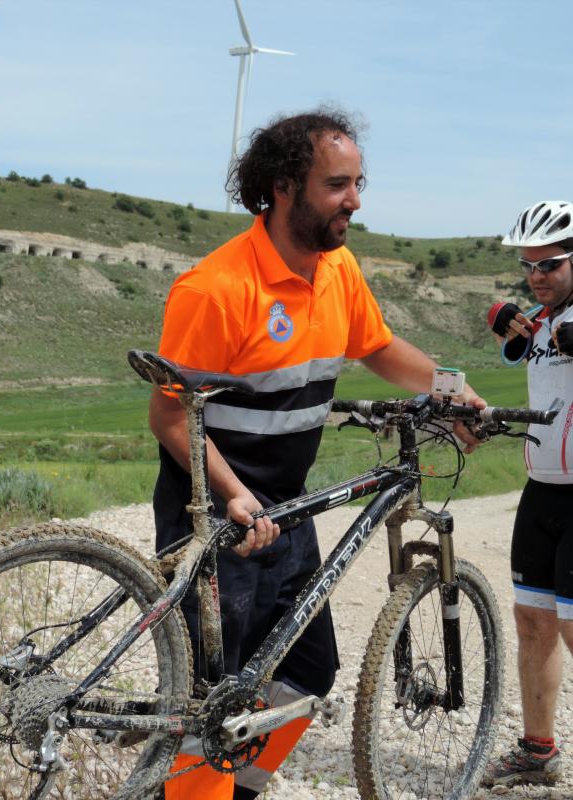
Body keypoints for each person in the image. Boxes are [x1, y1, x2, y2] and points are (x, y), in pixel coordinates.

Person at [149, 108, 484, 800]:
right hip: (215, 508)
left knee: (307, 670)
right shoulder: (217, 288)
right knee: (211, 702)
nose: (354, 200)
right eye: (337, 185)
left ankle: (235, 793)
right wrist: (234, 495)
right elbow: (170, 418)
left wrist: (454, 389)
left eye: (359, 183)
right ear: (282, 187)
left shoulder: (339, 270)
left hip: (288, 509)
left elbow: (378, 346)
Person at [484, 200, 573, 788]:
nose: (537, 275)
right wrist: (502, 314)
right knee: (533, 620)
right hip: (542, 490)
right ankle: (539, 751)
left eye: (551, 264)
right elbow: (508, 329)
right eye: (529, 265)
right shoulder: (540, 322)